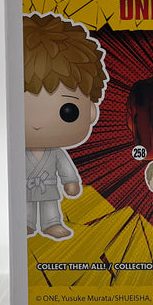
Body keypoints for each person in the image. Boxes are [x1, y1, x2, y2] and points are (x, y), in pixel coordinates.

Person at [23, 13, 108, 240]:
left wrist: (70, 181)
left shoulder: (56, 154)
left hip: (49, 187)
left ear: (91, 111)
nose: (37, 123)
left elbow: (65, 167)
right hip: (24, 188)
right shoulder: (14, 153)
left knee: (51, 207)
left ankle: (51, 223)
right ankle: (26, 223)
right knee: (25, 209)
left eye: (67, 111)